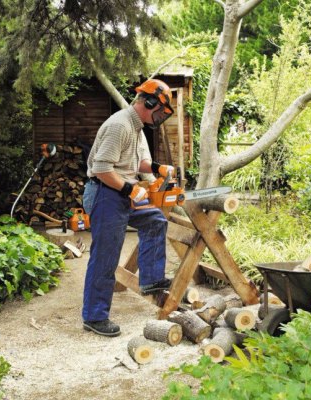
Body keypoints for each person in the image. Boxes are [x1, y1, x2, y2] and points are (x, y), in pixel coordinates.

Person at [81, 78, 175, 337]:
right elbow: (101, 169)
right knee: (106, 256)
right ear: (150, 102)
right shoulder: (119, 125)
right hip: (105, 194)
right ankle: (94, 316)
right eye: (160, 111)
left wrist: (157, 168)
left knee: (155, 220)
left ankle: (150, 279)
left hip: (122, 192)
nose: (160, 117)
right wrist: (129, 189)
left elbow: (135, 163)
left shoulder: (137, 127)